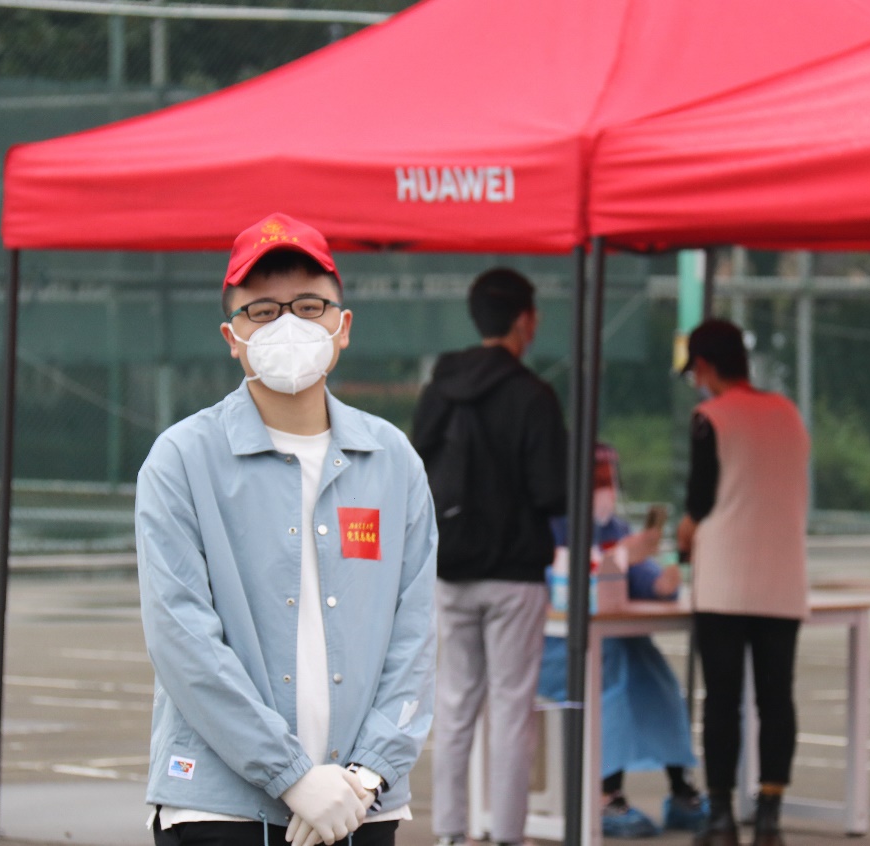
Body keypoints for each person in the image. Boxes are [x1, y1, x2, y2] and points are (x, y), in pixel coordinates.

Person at [135, 213, 438, 846]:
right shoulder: (183, 460)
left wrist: (369, 774)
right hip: (221, 810)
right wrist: (292, 775)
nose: (289, 325)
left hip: (362, 805)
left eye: (308, 306)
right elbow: (182, 640)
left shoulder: (392, 461)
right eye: (263, 311)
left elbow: (414, 638)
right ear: (233, 336)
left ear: (342, 326)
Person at [411, 268, 568, 846]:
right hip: (515, 576)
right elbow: (552, 492)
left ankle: (451, 833)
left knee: (455, 706)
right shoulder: (534, 395)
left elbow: (415, 466)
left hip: (450, 571)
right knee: (511, 709)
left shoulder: (440, 389)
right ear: (525, 320)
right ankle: (506, 835)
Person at [675, 318, 810, 846]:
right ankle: (770, 815)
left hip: (725, 581)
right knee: (776, 698)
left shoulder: (710, 418)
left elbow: (701, 500)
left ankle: (721, 817)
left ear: (706, 366)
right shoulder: (789, 414)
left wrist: (685, 534)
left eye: (695, 371)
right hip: (783, 576)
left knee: (722, 700)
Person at [536, 444, 708, 838]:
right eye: (599, 480)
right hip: (558, 647)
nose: (607, 490)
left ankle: (681, 787)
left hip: (612, 639)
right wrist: (619, 557)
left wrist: (663, 579)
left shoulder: (614, 528)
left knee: (656, 677)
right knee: (610, 675)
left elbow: (642, 579)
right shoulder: (550, 525)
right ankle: (605, 793)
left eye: (610, 480)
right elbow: (563, 588)